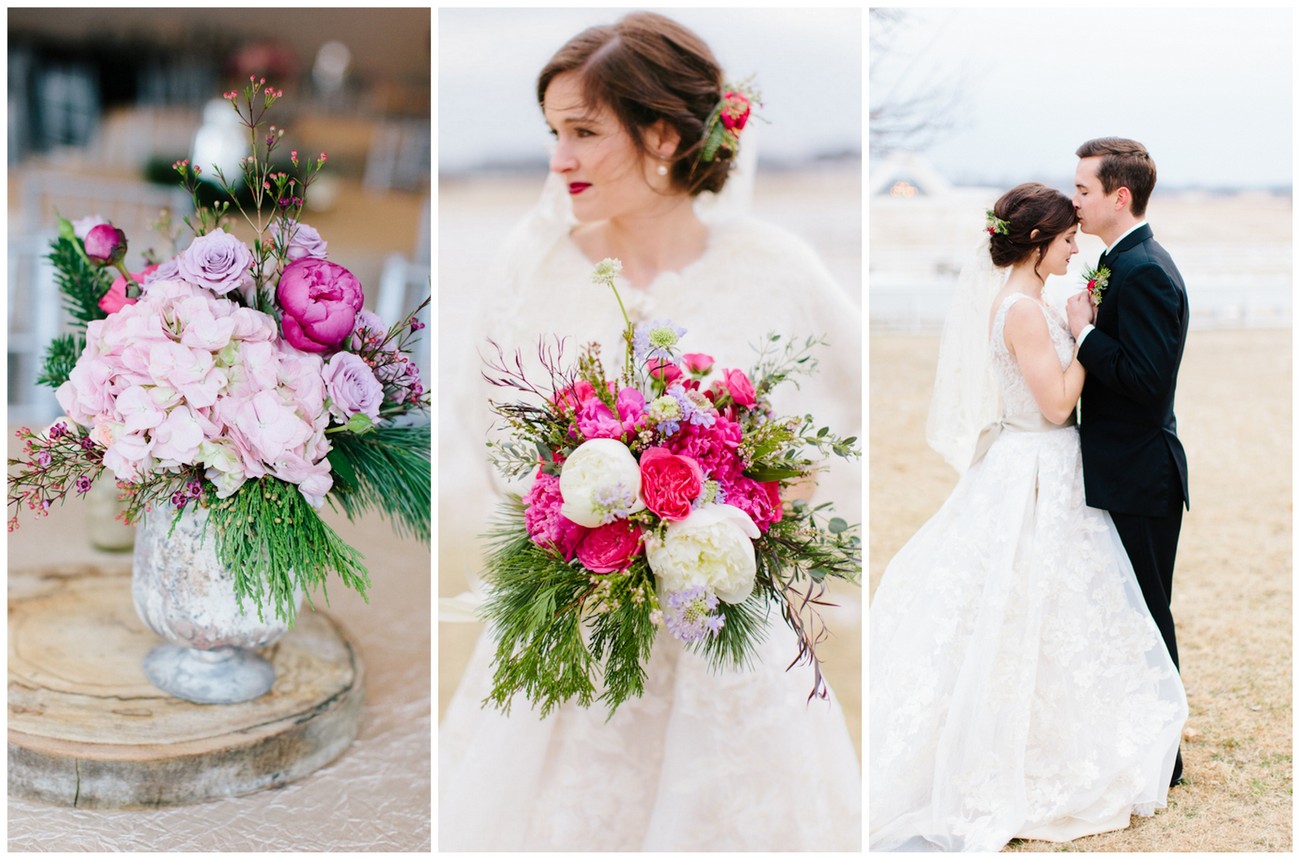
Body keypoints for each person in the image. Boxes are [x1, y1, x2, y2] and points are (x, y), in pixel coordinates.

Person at [439, 12, 862, 851]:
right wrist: (601, 516)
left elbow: (833, 435)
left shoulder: (776, 268)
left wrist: (752, 505)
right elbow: (493, 445)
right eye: (555, 132)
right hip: (574, 634)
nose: (559, 160)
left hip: (728, 638)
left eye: (585, 132)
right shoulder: (536, 274)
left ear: (663, 133)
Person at [869, 183, 1186, 852]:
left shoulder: (1025, 302)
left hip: (1040, 466)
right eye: (1067, 239)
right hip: (1038, 465)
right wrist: (1086, 334)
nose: (1077, 249)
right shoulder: (1022, 312)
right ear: (1039, 244)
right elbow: (1055, 405)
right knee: (1022, 610)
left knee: (1047, 614)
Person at [1067, 137, 1190, 786]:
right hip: (1122, 468)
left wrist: (1083, 333)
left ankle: (1163, 761)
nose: (1075, 200)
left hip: (1142, 474)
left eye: (1084, 190)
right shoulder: (1122, 261)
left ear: (1120, 196)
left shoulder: (1145, 271)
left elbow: (1145, 380)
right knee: (1127, 613)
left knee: (1146, 614)